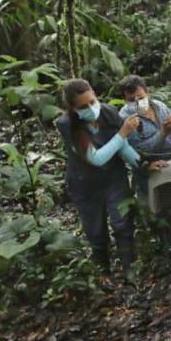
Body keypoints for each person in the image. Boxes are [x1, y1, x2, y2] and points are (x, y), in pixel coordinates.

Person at [57, 78, 142, 281]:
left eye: (92, 102)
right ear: (72, 108)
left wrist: (142, 165)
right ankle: (103, 273)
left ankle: (130, 270)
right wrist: (122, 133)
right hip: (85, 183)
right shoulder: (67, 125)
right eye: (83, 106)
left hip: (114, 176)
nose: (90, 108)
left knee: (123, 223)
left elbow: (123, 147)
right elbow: (95, 158)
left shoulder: (108, 112)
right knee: (96, 230)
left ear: (95, 95)